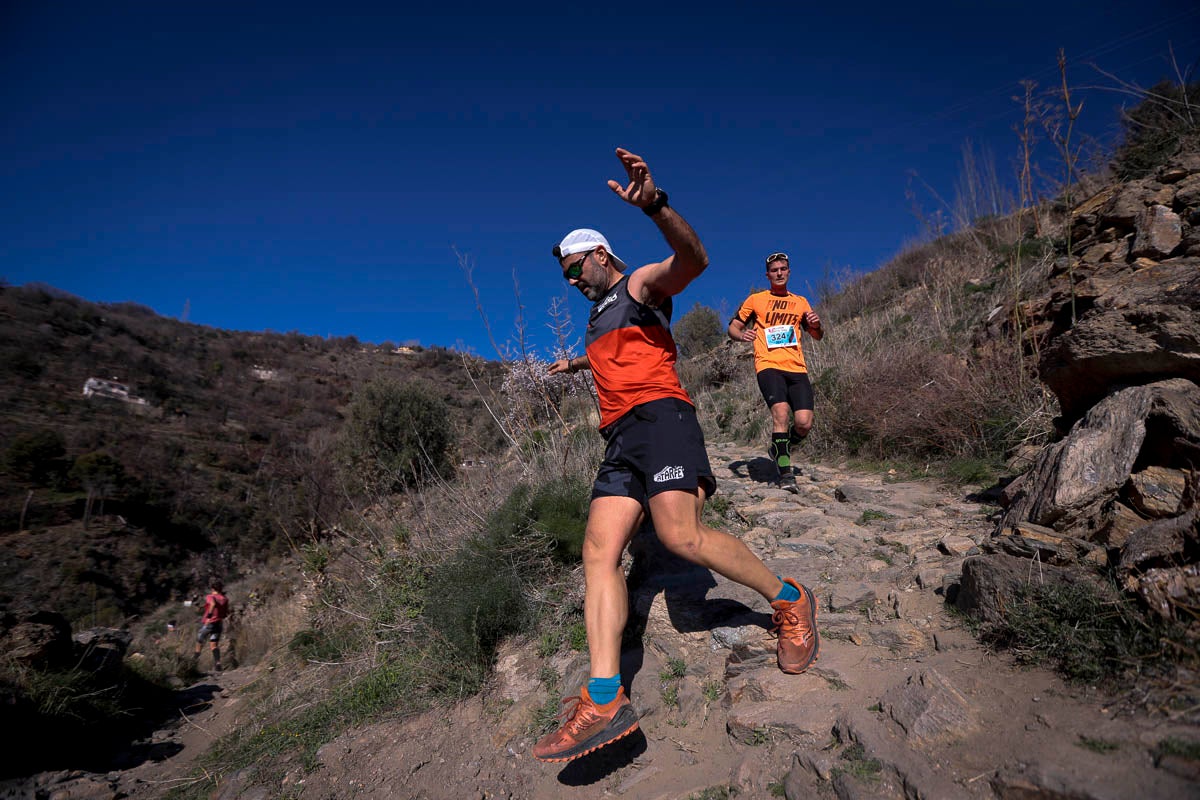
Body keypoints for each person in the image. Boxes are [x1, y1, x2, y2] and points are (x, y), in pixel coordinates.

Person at [535, 148, 819, 764]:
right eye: (563, 273)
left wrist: (657, 207)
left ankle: (790, 598)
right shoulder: (596, 318)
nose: (571, 279)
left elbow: (694, 260)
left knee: (680, 536)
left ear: (600, 254)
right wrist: (575, 363)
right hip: (620, 439)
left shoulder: (637, 283)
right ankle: (606, 696)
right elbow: (618, 349)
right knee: (598, 552)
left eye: (574, 267)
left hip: (663, 419)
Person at [728, 252, 823, 491]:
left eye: (783, 269)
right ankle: (785, 474)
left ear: (789, 272)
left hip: (797, 368)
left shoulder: (800, 302)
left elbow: (817, 335)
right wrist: (742, 336)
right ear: (768, 275)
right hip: (768, 365)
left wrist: (815, 324)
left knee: (803, 423)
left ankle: (778, 449)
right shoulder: (756, 300)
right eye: (774, 270)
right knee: (780, 414)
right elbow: (733, 327)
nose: (779, 273)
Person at [193, 578, 230, 672]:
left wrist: (209, 616)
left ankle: (194, 661)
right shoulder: (224, 599)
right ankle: (217, 663)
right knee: (214, 645)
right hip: (218, 623)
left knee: (199, 641)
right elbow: (225, 613)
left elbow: (212, 604)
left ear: (212, 588)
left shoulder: (210, 596)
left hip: (209, 623)